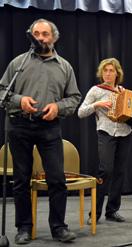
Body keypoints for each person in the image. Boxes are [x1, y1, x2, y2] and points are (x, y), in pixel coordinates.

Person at [0, 19, 81, 244]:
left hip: (49, 127)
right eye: (36, 34)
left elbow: (74, 98)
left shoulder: (65, 66)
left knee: (56, 179)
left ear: (54, 38)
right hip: (19, 125)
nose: (41, 38)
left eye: (45, 34)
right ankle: (24, 228)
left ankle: (59, 227)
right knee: (21, 180)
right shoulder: (18, 63)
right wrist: (19, 99)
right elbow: (2, 92)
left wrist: (58, 107)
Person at [78, 58, 132, 225]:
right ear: (101, 73)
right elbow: (81, 112)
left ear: (117, 73)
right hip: (106, 133)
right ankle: (95, 213)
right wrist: (96, 104)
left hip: (124, 134)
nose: (108, 74)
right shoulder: (96, 90)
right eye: (105, 71)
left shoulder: (123, 91)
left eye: (111, 71)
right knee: (106, 170)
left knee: (119, 173)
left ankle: (112, 210)